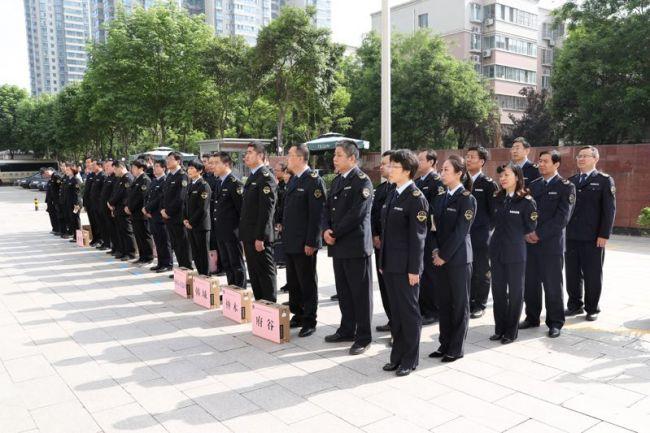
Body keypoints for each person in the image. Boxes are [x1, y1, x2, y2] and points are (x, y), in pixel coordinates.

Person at [379, 149, 428, 377]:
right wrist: (382, 262)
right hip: (390, 265)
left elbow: (417, 239)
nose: (389, 170)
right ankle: (396, 357)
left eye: (394, 166)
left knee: (409, 314)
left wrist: (413, 269)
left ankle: (410, 359)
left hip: (406, 269)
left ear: (407, 171)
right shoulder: (393, 194)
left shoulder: (416, 199)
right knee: (396, 314)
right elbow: (387, 233)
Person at [323, 139, 374, 356]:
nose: (334, 159)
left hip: (354, 245)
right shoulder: (337, 181)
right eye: (334, 155)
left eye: (339, 155)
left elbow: (357, 214)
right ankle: (347, 329)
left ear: (352, 158)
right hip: (338, 245)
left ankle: (363, 336)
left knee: (360, 293)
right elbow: (327, 209)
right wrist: (325, 229)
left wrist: (334, 233)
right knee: (344, 291)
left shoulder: (363, 181)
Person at [520, 150, 575, 338]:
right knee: (530, 283)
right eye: (539, 161)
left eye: (545, 161)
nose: (540, 164)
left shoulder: (566, 187)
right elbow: (524, 211)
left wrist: (539, 234)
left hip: (551, 244)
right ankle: (532, 317)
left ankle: (555, 322)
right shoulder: (533, 185)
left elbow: (562, 218)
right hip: (530, 243)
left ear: (556, 164)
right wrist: (527, 232)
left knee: (552, 284)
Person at [427, 155, 476, 362]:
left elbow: (460, 232)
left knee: (459, 304)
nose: (442, 173)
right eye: (442, 170)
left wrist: (444, 256)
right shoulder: (439, 197)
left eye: (446, 170)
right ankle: (444, 343)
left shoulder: (467, 199)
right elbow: (432, 229)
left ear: (459, 173)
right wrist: (435, 251)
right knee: (444, 304)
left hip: (458, 259)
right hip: (440, 258)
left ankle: (456, 348)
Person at [565, 145, 616, 321]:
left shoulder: (604, 180)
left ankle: (592, 308)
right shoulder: (571, 180)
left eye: (585, 156)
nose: (580, 159)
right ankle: (574, 305)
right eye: (579, 156)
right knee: (572, 274)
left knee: (592, 274)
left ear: (595, 159)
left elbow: (609, 210)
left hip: (593, 238)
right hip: (571, 237)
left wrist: (604, 234)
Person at [489, 163, 537, 344]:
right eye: (501, 176)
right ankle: (499, 329)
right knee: (498, 291)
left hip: (515, 252)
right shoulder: (498, 198)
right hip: (496, 251)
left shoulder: (526, 201)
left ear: (517, 177)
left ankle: (511, 331)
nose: (502, 179)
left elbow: (530, 226)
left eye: (507, 175)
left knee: (516, 292)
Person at [282, 144, 326, 338]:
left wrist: (312, 242)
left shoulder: (313, 181)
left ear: (300, 158)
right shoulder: (294, 180)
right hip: (291, 240)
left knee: (307, 281)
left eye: (290, 155)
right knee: (293, 281)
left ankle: (310, 319)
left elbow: (317, 216)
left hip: (304, 242)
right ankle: (298, 314)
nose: (287, 159)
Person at [240, 142, 278, 302]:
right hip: (249, 234)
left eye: (250, 152)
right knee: (254, 273)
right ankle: (260, 306)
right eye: (246, 152)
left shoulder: (265, 177)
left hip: (259, 237)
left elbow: (266, 211)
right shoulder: (253, 176)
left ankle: (269, 305)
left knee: (265, 272)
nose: (246, 156)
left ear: (261, 156)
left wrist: (261, 237)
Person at [465, 146, 498, 319]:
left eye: (472, 157)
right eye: (467, 156)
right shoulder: (462, 181)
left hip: (481, 235)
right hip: (464, 235)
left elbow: (494, 212)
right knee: (467, 269)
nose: (468, 159)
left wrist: (486, 230)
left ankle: (480, 303)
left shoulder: (488, 183)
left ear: (482, 161)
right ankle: (468, 301)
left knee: (482, 269)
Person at [415, 149, 445, 325]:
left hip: (430, 234)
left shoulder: (436, 182)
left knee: (430, 275)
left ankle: (433, 311)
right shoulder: (418, 181)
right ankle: (423, 307)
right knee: (421, 273)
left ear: (432, 162)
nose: (418, 162)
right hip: (418, 234)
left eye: (421, 159)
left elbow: (436, 210)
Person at [210, 152, 247, 287]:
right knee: (226, 262)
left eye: (216, 163)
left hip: (232, 231)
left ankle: (240, 290)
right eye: (212, 163)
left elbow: (242, 210)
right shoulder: (220, 182)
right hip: (221, 230)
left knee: (236, 262)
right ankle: (231, 290)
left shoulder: (234, 183)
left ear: (226, 164)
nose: (212, 166)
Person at [371, 150, 395, 333]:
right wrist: (375, 235)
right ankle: (392, 319)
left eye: (385, 163)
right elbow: (373, 215)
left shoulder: (402, 191)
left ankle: (399, 326)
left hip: (395, 248)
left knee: (397, 288)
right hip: (381, 245)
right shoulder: (381, 189)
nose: (381, 166)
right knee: (385, 285)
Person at [162, 152, 193, 270]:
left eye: (170, 159)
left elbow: (181, 198)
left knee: (183, 244)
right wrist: (163, 210)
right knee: (175, 244)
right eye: (167, 159)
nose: (167, 161)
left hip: (178, 216)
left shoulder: (182, 176)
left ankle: (187, 268)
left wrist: (168, 211)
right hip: (168, 216)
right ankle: (181, 268)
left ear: (178, 161)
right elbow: (165, 196)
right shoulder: (169, 176)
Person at [143, 160, 173, 273]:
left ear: (163, 168)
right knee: (158, 240)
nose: (154, 169)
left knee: (164, 240)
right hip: (152, 215)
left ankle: (168, 263)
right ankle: (160, 262)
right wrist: (145, 207)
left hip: (160, 215)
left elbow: (160, 198)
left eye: (157, 167)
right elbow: (148, 196)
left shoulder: (165, 181)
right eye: (154, 166)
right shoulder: (154, 181)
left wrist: (148, 208)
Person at [183, 159, 212, 276]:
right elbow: (185, 204)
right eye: (188, 168)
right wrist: (185, 219)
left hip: (200, 225)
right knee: (195, 253)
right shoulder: (190, 185)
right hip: (190, 224)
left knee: (203, 253)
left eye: (192, 168)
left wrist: (191, 222)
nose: (189, 170)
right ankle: (200, 274)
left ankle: (205, 275)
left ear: (199, 170)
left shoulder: (204, 186)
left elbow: (202, 208)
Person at [127, 159, 154, 264]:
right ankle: (142, 256)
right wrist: (128, 206)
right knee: (138, 235)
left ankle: (149, 256)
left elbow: (141, 197)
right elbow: (131, 196)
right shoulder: (136, 179)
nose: (132, 170)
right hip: (134, 212)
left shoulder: (145, 179)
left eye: (134, 168)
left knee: (144, 235)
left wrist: (130, 207)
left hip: (141, 213)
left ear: (141, 168)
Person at [108, 160, 136, 261]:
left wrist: (112, 203)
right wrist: (111, 203)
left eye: (115, 169)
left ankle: (130, 252)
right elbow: (115, 193)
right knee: (121, 231)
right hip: (118, 209)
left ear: (120, 167)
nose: (114, 171)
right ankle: (124, 251)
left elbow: (125, 195)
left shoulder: (127, 178)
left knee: (127, 231)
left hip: (124, 209)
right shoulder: (120, 179)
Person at [273, 162, 290, 271]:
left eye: (277, 170)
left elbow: (283, 206)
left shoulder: (287, 185)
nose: (275, 172)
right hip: (280, 219)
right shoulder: (279, 184)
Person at [100, 160, 118, 255]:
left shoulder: (115, 178)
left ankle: (117, 248)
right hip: (105, 207)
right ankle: (114, 247)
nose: (106, 168)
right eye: (105, 166)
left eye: (108, 166)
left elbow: (114, 194)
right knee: (110, 228)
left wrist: (112, 206)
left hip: (111, 207)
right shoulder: (108, 177)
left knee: (115, 229)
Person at [82, 158, 100, 246]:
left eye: (90, 163)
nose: (88, 165)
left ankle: (99, 239)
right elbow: (86, 191)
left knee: (97, 222)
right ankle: (95, 238)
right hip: (89, 203)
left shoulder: (96, 175)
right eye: (87, 163)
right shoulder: (89, 175)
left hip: (95, 203)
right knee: (92, 222)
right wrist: (85, 203)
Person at [90, 161, 107, 250]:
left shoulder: (103, 176)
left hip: (100, 205)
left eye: (94, 165)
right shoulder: (96, 176)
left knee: (103, 224)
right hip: (95, 205)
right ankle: (103, 241)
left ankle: (105, 242)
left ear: (99, 166)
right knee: (99, 224)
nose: (92, 167)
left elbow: (103, 193)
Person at [64, 163, 82, 242]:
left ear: (73, 170)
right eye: (66, 170)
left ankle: (79, 237)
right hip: (69, 203)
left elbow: (77, 193)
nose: (66, 171)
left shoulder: (76, 180)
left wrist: (77, 204)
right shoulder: (68, 179)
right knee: (72, 219)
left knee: (76, 219)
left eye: (68, 170)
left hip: (75, 203)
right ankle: (75, 236)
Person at [44, 167, 61, 234]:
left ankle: (58, 229)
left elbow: (60, 187)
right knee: (52, 215)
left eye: (48, 172)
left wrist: (56, 199)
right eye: (46, 173)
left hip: (55, 200)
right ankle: (55, 228)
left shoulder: (56, 176)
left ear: (52, 171)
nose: (47, 174)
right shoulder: (51, 178)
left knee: (57, 215)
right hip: (50, 200)